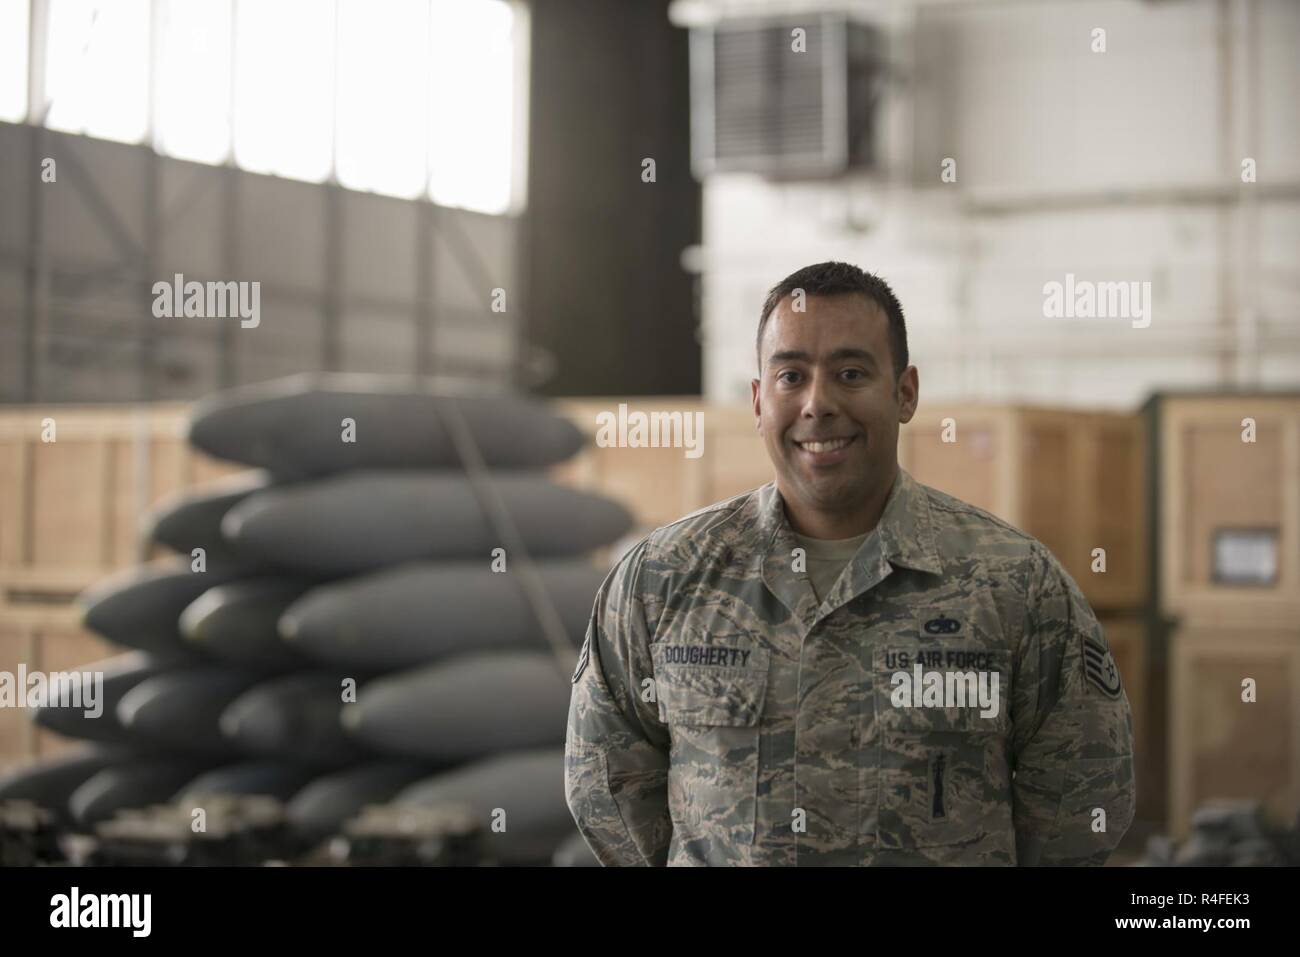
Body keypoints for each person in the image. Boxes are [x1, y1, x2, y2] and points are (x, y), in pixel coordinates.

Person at [565, 261, 1135, 866]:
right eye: (791, 375)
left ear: (905, 392)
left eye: (851, 372)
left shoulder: (1013, 582)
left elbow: (1082, 793)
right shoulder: (663, 579)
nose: (818, 403)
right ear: (759, 401)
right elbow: (608, 784)